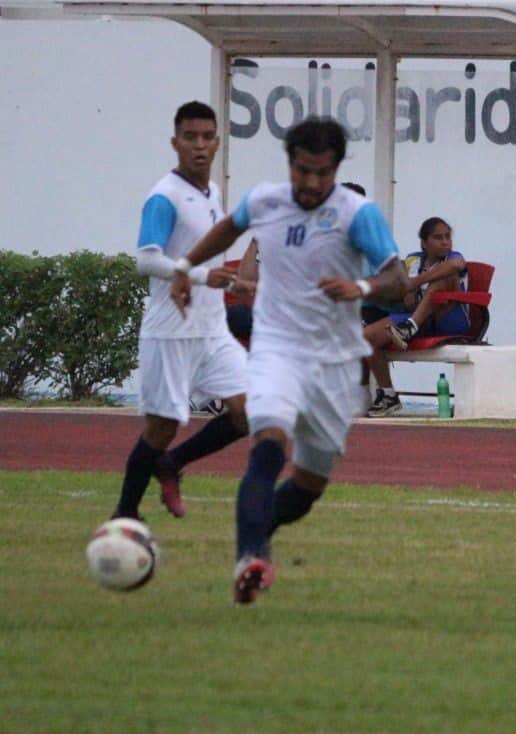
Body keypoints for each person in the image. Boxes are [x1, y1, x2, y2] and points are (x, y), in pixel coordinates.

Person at [170, 116, 411, 604]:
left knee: (306, 489)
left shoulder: (357, 213)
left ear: (337, 168)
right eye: (303, 170)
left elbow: (398, 280)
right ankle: (249, 558)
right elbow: (228, 228)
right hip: (276, 349)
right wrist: (185, 266)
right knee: (268, 444)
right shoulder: (266, 201)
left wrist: (360, 286)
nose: (312, 183)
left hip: (335, 362)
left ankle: (259, 534)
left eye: (323, 172)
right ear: (290, 164)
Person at [112, 101, 252, 522]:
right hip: (171, 331)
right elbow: (146, 259)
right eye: (190, 137)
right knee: (163, 427)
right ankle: (125, 515)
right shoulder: (165, 196)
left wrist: (233, 282)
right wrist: (202, 276)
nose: (199, 145)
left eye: (207, 137)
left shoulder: (213, 193)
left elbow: (204, 259)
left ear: (218, 143)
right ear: (175, 143)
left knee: (251, 410)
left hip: (212, 331)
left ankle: (172, 464)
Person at [362, 216, 469, 417]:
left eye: (448, 237)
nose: (445, 242)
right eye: (438, 237)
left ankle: (410, 327)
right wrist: (406, 290)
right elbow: (402, 285)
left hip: (447, 321)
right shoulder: (414, 260)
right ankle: (388, 395)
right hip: (414, 319)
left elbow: (456, 265)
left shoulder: (453, 258)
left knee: (444, 277)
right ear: (424, 243)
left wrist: (416, 283)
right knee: (366, 337)